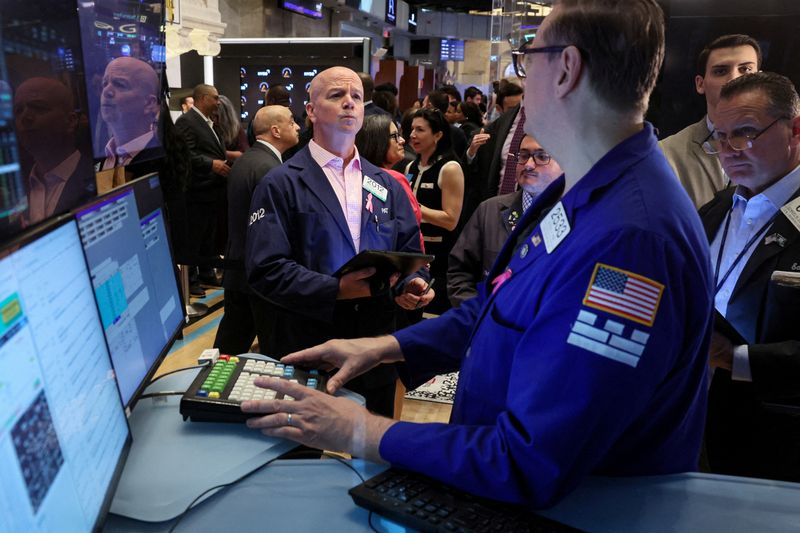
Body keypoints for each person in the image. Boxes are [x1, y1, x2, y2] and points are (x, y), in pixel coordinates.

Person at [241, 0, 712, 509]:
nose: (521, 76)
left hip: (567, 511)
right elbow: (498, 308)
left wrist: (363, 431)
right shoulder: (580, 192)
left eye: (527, 58)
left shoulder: (631, 241)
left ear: (567, 70)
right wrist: (383, 347)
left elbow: (532, 459)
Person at [244, 67, 429, 417]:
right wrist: (336, 289)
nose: (349, 103)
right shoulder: (280, 183)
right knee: (301, 455)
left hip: (374, 345)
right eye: (336, 96)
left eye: (356, 97)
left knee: (374, 455)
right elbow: (266, 269)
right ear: (311, 110)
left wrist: (413, 283)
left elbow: (408, 250)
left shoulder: (385, 184)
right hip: (308, 344)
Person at [699, 72, 800, 482]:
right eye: (719, 137)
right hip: (703, 429)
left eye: (744, 133)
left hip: (780, 446)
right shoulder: (717, 207)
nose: (728, 151)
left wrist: (736, 359)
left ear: (795, 129)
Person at [214, 105, 300, 355]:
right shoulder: (269, 168)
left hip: (239, 267)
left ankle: (210, 391)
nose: (297, 126)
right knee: (270, 348)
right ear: (275, 130)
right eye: (291, 121)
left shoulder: (248, 159)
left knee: (231, 344)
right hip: (257, 273)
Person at [448, 135, 562, 307]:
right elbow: (460, 272)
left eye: (541, 157)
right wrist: (480, 316)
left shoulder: (573, 217)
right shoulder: (489, 210)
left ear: (564, 163)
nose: (529, 165)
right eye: (523, 156)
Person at [660, 34, 761, 208]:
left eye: (745, 69)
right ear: (701, 84)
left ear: (760, 79)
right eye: (721, 71)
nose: (734, 79)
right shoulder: (666, 154)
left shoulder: (786, 146)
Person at [13, 77, 96, 225]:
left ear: (71, 121)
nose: (25, 117)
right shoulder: (15, 189)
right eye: (18, 111)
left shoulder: (99, 178)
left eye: (38, 107)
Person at [406, 108, 464, 314]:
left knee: (433, 311)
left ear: (438, 134)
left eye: (420, 130)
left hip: (440, 256)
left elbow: (451, 220)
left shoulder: (450, 168)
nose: (413, 135)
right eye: (412, 129)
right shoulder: (411, 166)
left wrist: (417, 209)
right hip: (415, 251)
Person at [175, 83, 229, 292]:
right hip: (197, 190)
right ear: (203, 98)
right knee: (194, 237)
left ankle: (207, 273)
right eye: (215, 98)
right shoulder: (187, 121)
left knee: (208, 236)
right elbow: (184, 154)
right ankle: (192, 281)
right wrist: (211, 164)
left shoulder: (209, 122)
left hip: (211, 190)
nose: (218, 102)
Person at [355, 114, 425, 250]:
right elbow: (412, 230)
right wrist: (419, 264)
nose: (403, 140)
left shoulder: (355, 176)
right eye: (395, 136)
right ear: (377, 141)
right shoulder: (394, 180)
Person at [98, 57, 161, 170]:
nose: (106, 91)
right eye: (104, 83)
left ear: (149, 103)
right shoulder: (98, 159)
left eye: (120, 84)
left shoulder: (164, 159)